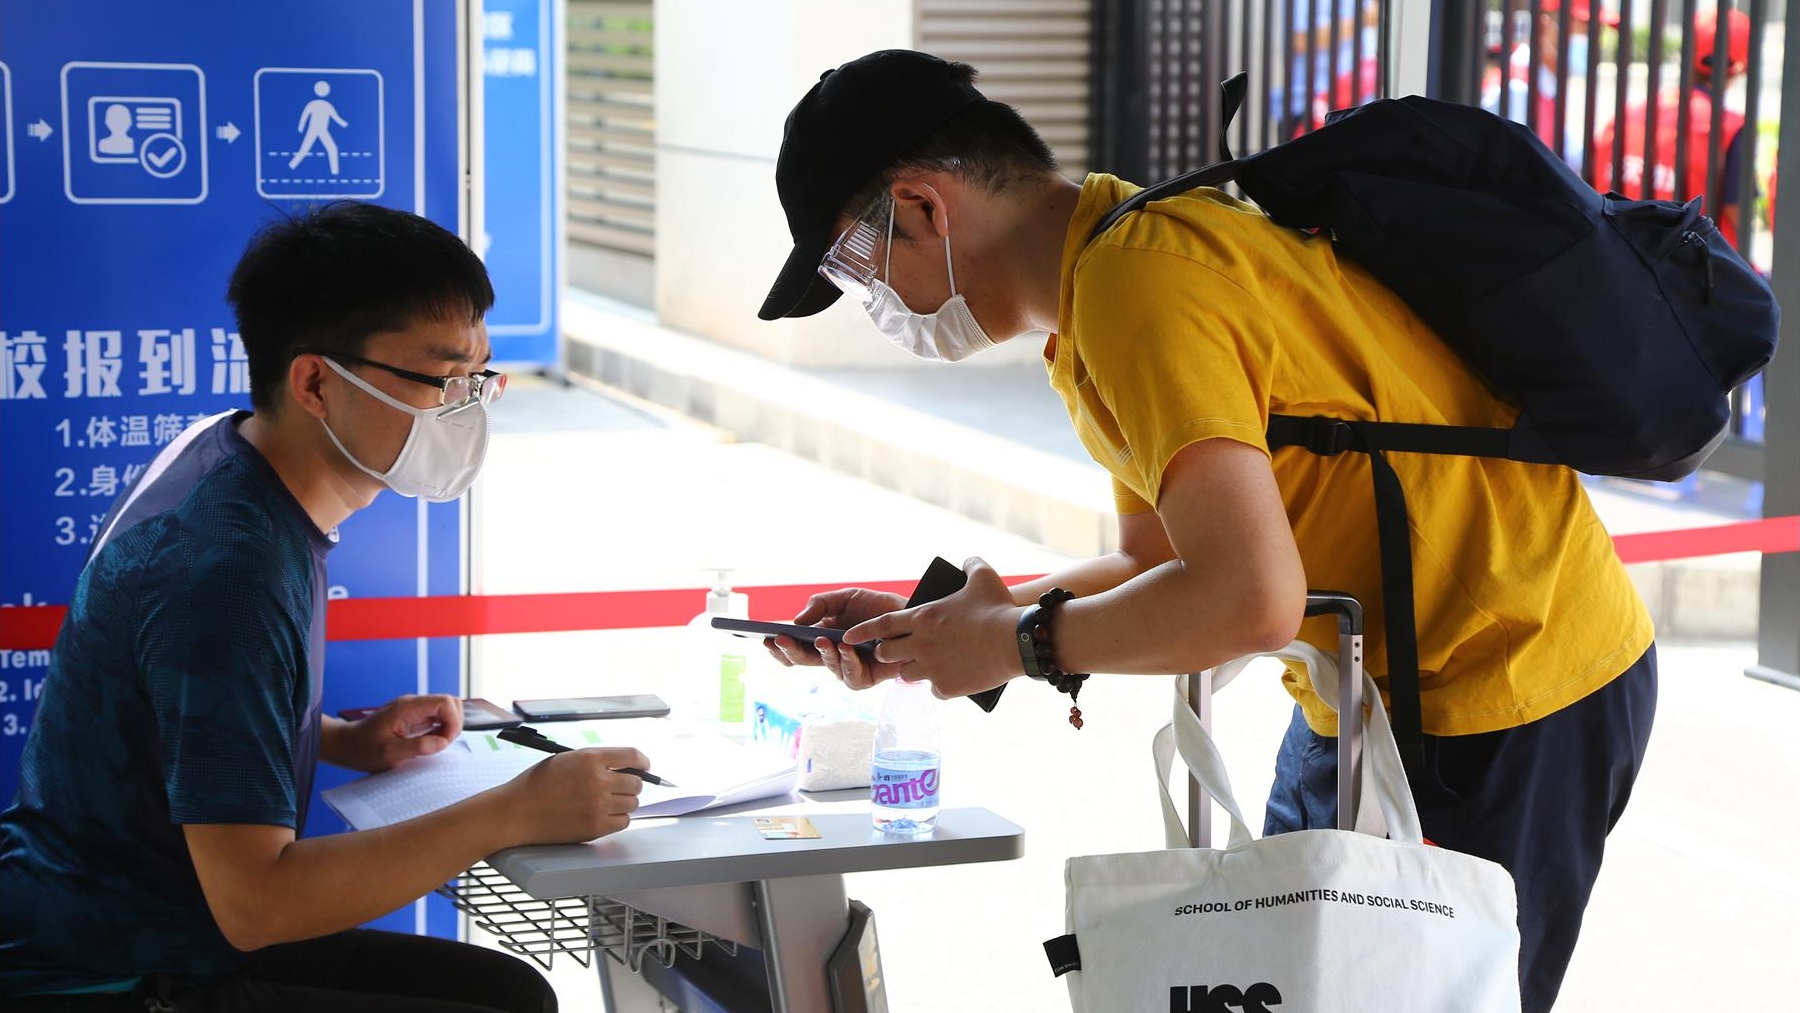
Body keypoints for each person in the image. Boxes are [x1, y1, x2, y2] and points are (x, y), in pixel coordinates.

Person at [757, 51, 1655, 1013]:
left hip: (1504, 683)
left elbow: (1246, 600)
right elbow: (1157, 564)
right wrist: (949, 628)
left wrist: (1015, 644)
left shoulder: (1139, 286)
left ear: (926, 208)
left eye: (856, 262)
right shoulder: (1102, 277)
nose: (872, 301)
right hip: (1364, 692)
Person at [0, 203, 652, 1011]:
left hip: (135, 919)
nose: (469, 406)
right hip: (115, 970)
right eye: (442, 378)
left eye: (481, 376)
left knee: (509, 990)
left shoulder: (225, 454)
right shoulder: (230, 570)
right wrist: (516, 810)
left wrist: (345, 738)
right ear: (314, 382)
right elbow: (258, 905)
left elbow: (181, 719)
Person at [1592, 8, 1755, 250]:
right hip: (1690, 275)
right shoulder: (1727, 127)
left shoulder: (1629, 114)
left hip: (1615, 262)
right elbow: (1738, 214)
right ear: (1740, 66)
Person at [1481, 0, 1617, 171]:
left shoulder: (1543, 86)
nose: (1594, 41)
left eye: (1599, 32)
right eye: (1584, 28)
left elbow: (1571, 155)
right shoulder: (1517, 91)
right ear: (1544, 27)